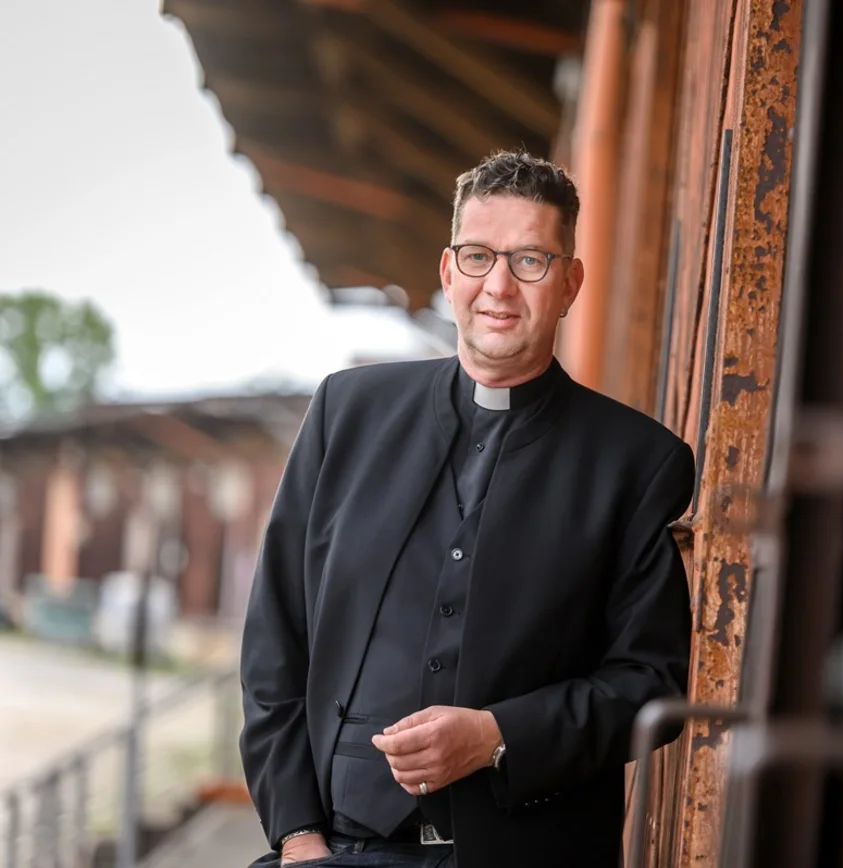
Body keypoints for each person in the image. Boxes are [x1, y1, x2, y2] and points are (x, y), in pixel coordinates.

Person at [240, 150, 695, 868]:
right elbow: (275, 637)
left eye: (532, 261)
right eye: (479, 257)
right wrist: (296, 835)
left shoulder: (637, 463)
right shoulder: (345, 412)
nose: (500, 288)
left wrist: (496, 733)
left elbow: (651, 683)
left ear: (571, 283)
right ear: (449, 272)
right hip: (333, 849)